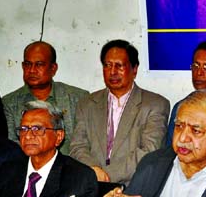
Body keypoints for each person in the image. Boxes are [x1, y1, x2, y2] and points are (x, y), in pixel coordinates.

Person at [71, 39, 170, 185]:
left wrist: (105, 176)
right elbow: (78, 147)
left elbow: (149, 151)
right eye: (107, 65)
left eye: (119, 65)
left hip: (133, 187)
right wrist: (93, 171)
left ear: (134, 69)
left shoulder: (155, 104)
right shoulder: (86, 104)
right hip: (91, 185)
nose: (112, 72)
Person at [2, 41, 88, 154]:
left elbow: (84, 143)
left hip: (73, 167)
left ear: (53, 68)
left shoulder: (78, 98)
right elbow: (11, 146)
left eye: (39, 64)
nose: (32, 70)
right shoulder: (9, 103)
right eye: (28, 64)